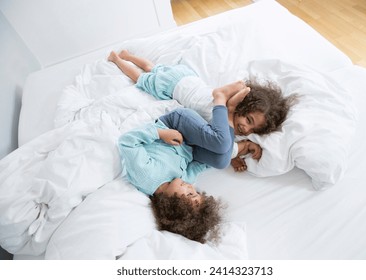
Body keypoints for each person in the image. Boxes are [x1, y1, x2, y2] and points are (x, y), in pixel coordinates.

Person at [117, 70, 259, 243]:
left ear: (172, 205)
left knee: (222, 146)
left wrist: (161, 133)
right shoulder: (184, 180)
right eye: (196, 193)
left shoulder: (146, 176)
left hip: (173, 125)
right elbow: (201, 164)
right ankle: (229, 117)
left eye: (190, 194)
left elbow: (127, 142)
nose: (192, 188)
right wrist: (227, 154)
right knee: (222, 160)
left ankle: (222, 100)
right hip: (189, 140)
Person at [108, 50, 297, 172]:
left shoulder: (230, 123)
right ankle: (118, 59)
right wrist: (237, 151)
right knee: (142, 77)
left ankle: (130, 56)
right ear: (241, 106)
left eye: (253, 129)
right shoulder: (216, 111)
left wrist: (234, 154)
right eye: (248, 119)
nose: (246, 129)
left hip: (188, 78)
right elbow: (221, 138)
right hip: (173, 85)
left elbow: (221, 139)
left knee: (153, 67)